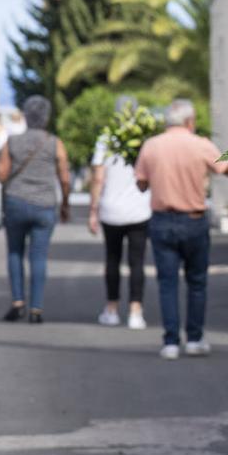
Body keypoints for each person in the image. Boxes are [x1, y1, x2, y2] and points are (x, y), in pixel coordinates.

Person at [133, 98, 228, 360]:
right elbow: (225, 169)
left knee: (167, 283)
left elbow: (141, 184)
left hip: (161, 221)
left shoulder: (151, 145)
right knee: (197, 282)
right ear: (189, 121)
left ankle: (170, 342)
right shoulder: (200, 145)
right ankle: (194, 339)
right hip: (193, 221)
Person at [0, 96, 71, 324]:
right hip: (44, 205)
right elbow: (65, 178)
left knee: (15, 253)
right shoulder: (54, 142)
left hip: (16, 203)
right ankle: (36, 308)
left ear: (26, 117)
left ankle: (18, 301)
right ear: (47, 117)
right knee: (39, 256)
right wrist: (65, 203)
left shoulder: (12, 141)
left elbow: (2, 175)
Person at [89, 113, 153, 329]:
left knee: (112, 259)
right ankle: (136, 311)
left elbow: (98, 177)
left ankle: (112, 309)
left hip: (111, 209)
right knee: (137, 262)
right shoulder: (145, 142)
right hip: (140, 209)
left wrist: (93, 210)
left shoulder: (106, 140)